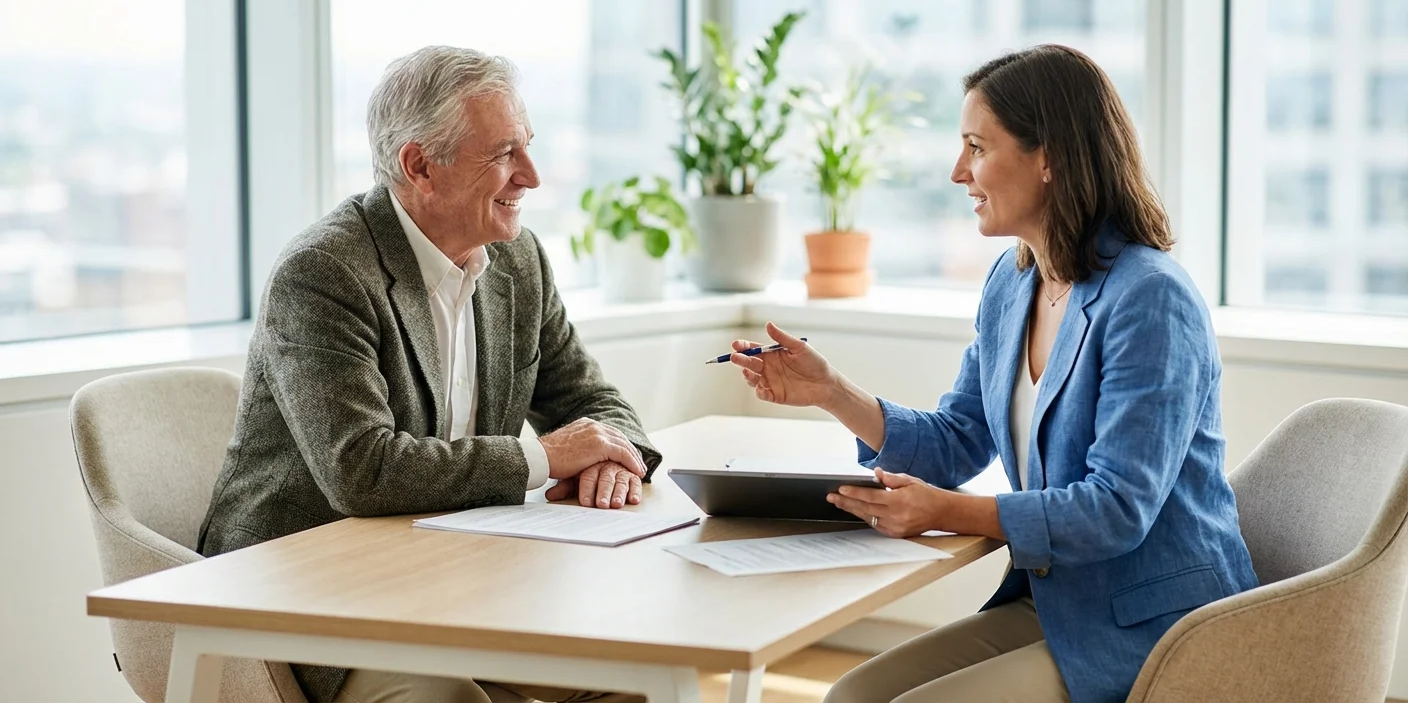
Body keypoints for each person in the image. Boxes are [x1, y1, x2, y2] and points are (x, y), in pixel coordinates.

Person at [729, 45, 1258, 703]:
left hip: (1155, 623)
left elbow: (1117, 511)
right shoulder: (1014, 286)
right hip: (1061, 604)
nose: (958, 172)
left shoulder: (1150, 298)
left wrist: (944, 512)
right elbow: (957, 439)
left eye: (977, 146)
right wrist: (832, 392)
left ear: (1049, 157)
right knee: (850, 697)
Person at [198, 45, 658, 703]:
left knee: (633, 679)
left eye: (527, 146)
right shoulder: (325, 272)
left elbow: (595, 403)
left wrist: (615, 457)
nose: (531, 175)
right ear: (421, 166)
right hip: (306, 592)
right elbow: (360, 469)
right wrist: (547, 455)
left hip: (458, 578)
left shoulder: (518, 260)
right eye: (504, 153)